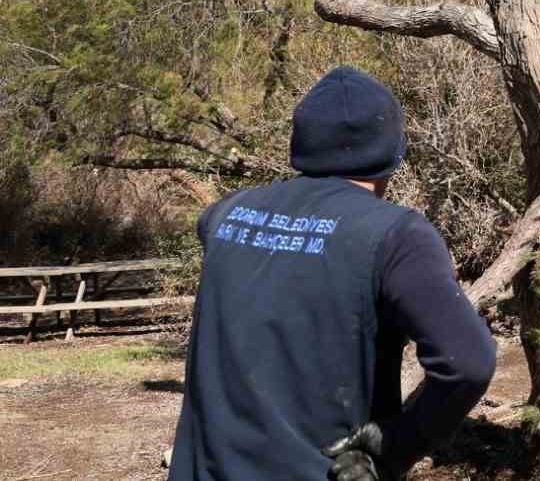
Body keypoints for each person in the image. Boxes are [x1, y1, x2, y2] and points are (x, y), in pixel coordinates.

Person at [167, 66, 497, 481]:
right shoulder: (395, 236)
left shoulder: (226, 215)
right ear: (392, 153)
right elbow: (468, 362)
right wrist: (396, 444)